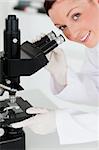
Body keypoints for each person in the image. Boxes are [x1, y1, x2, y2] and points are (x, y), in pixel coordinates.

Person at [1, 0, 99, 145]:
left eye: (76, 15)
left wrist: (58, 122)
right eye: (63, 27)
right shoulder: (95, 44)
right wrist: (61, 74)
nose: (72, 33)